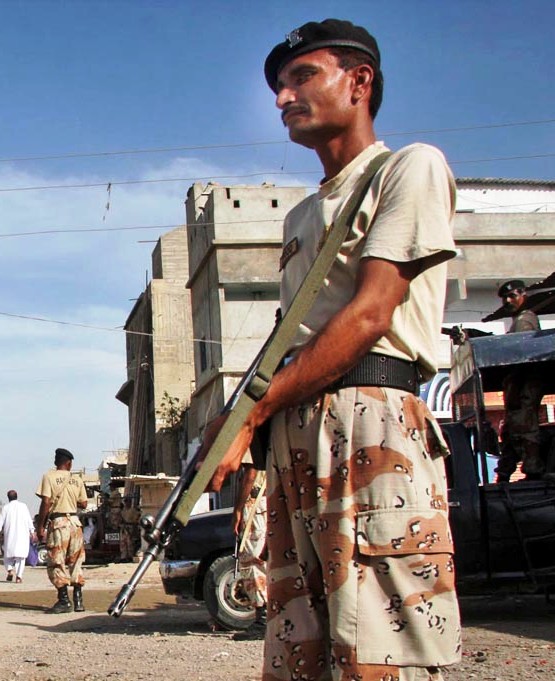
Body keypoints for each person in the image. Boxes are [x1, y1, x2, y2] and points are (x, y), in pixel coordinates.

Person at [208, 19, 461, 679]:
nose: (282, 97)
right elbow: (290, 344)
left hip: (369, 419)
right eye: (278, 85)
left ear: (358, 82)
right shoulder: (298, 216)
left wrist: (254, 415)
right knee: (300, 644)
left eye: (300, 77)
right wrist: (238, 418)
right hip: (297, 423)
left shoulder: (408, 167)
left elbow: (370, 312)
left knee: (379, 642)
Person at [496, 279, 545, 481]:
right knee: (512, 432)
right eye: (505, 298)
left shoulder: (525, 319)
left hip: (523, 386)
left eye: (512, 296)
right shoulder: (520, 319)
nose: (508, 300)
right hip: (518, 387)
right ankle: (507, 473)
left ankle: (533, 472)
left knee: (524, 429)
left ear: (523, 294)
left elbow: (519, 351)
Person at [36, 448, 88, 614]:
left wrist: (40, 526)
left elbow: (45, 502)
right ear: (69, 463)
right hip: (75, 523)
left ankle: (64, 600)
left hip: (59, 523)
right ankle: (78, 600)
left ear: (56, 461)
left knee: (57, 561)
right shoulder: (77, 479)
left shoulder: (48, 477)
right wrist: (70, 502)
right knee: (76, 561)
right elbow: (84, 504)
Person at [228, 466, 268, 641]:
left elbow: (251, 473)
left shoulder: (250, 440)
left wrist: (238, 510)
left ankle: (263, 621)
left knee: (254, 563)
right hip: (264, 504)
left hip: (255, 506)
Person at [0, 490, 36, 583]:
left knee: (7, 555)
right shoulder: (23, 506)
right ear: (17, 496)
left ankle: (9, 570)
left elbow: (0, 521)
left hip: (10, 535)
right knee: (21, 557)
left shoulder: (6, 508)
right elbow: (29, 520)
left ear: (8, 498)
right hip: (22, 536)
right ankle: (19, 577)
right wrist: (32, 531)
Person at [119, 498, 141, 562]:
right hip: (124, 527)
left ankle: (130, 557)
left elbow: (136, 519)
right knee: (123, 543)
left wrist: (134, 528)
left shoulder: (133, 511)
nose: (126, 504)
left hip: (130, 527)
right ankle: (123, 557)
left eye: (127, 502)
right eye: (125, 502)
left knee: (130, 543)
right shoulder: (123, 510)